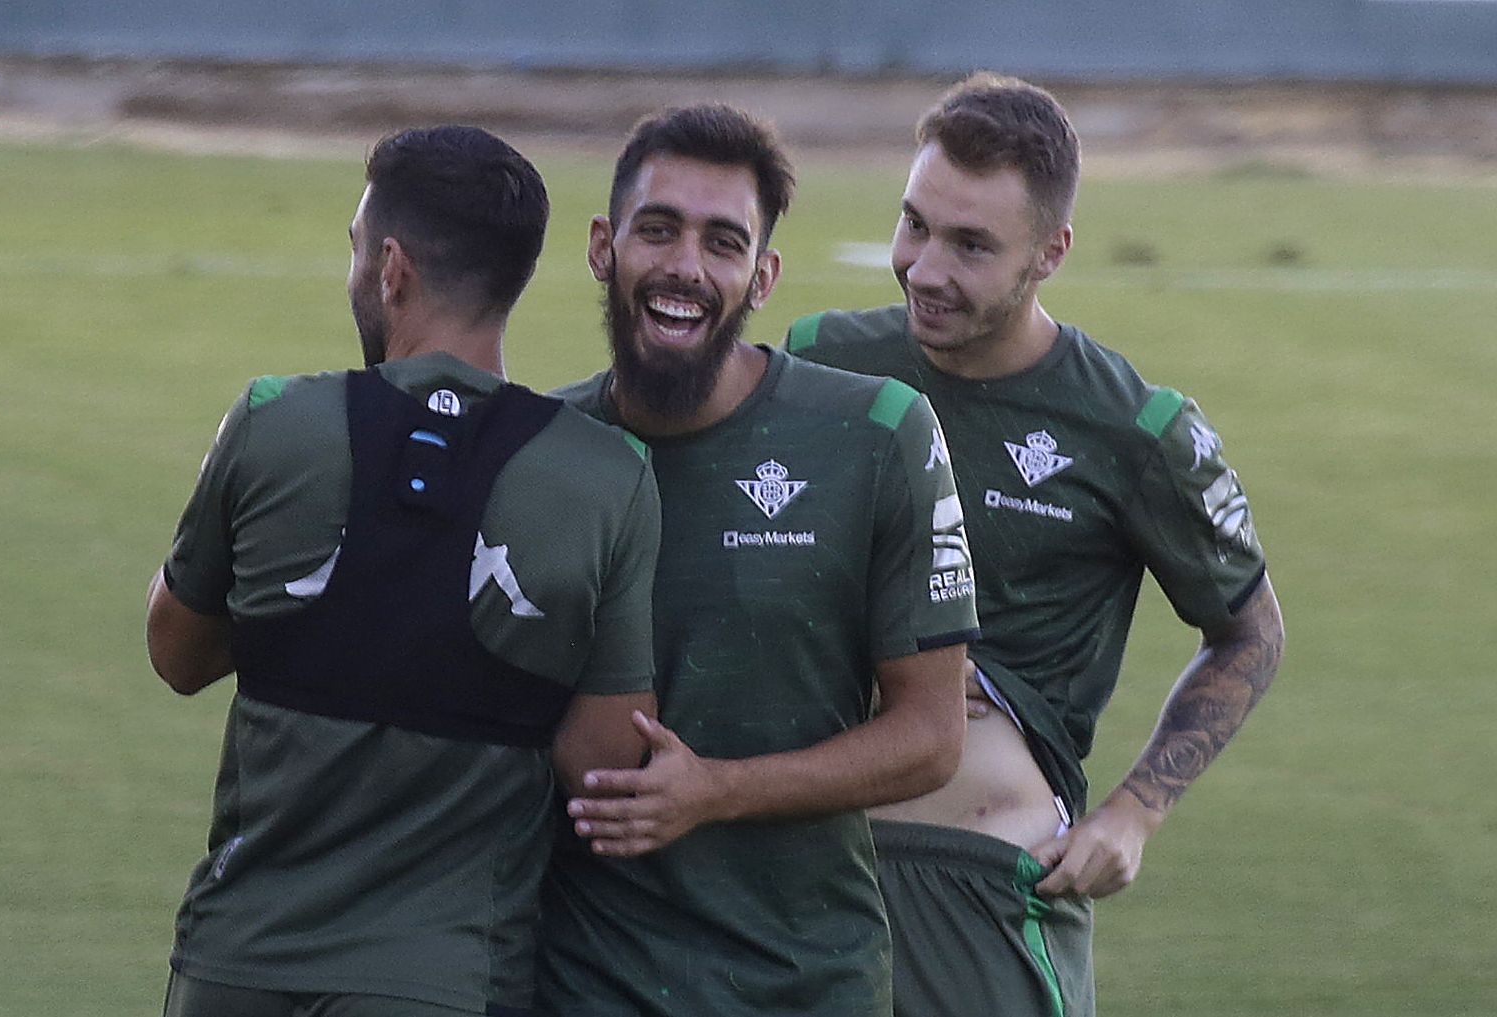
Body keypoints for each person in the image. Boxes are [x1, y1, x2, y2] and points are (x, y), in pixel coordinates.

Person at [786, 72, 1287, 1017]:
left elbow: (1252, 633)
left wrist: (1136, 813)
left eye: (972, 245)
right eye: (916, 224)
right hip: (795, 864)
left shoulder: (1135, 430)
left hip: (977, 887)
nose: (926, 268)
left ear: (1050, 251)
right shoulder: (819, 363)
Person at [144, 125, 663, 1017]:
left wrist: (325, 612)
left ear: (391, 268)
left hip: (237, 964)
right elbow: (605, 763)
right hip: (446, 980)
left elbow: (176, 652)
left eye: (355, 249)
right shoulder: (607, 477)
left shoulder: (273, 420)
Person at [535, 104, 981, 1017]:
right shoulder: (536, 449)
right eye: (656, 230)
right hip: (582, 982)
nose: (684, 267)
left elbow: (932, 737)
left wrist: (716, 792)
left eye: (723, 242)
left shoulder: (878, 433)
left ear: (763, 275)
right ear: (601, 247)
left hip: (805, 981)